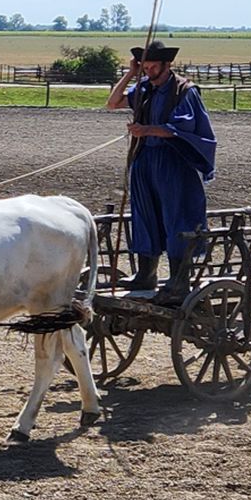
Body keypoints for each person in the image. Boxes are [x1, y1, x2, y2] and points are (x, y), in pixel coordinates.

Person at [105, 40, 217, 305]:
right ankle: (146, 275)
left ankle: (179, 281)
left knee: (176, 217)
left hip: (173, 162)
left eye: (153, 65)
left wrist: (147, 130)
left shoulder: (184, 91)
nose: (149, 69)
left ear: (167, 65)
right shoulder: (143, 89)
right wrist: (130, 73)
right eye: (145, 65)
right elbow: (113, 103)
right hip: (144, 160)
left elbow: (179, 128)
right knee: (145, 215)